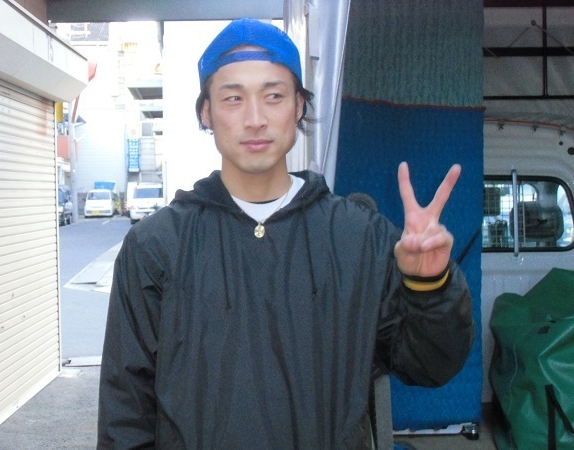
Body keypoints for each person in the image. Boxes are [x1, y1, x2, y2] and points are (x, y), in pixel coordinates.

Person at [97, 18, 474, 449]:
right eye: (233, 98)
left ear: (298, 106)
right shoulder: (158, 246)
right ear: (206, 112)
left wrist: (429, 285)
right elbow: (125, 412)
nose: (255, 119)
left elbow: (429, 366)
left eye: (273, 96)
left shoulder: (359, 238)